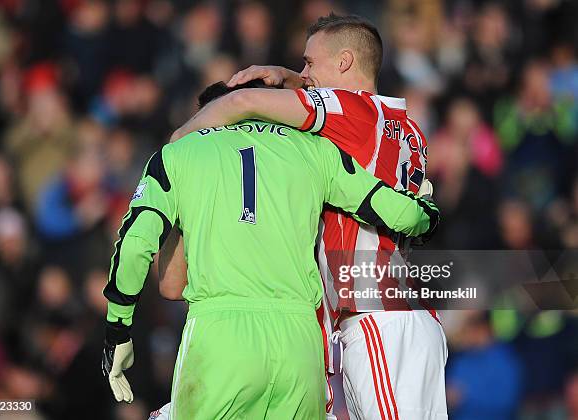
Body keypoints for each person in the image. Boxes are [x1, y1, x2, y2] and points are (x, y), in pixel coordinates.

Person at [101, 79, 439, 419]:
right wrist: (427, 216)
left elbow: (135, 245)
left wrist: (118, 326)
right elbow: (396, 210)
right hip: (299, 342)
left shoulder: (177, 155)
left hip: (221, 333)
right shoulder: (313, 149)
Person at [170, 13, 448, 420]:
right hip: (406, 313)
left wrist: (179, 146)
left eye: (309, 63)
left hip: (376, 318)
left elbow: (243, 101)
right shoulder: (407, 128)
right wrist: (293, 78)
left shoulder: (350, 113)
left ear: (345, 61)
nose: (303, 73)